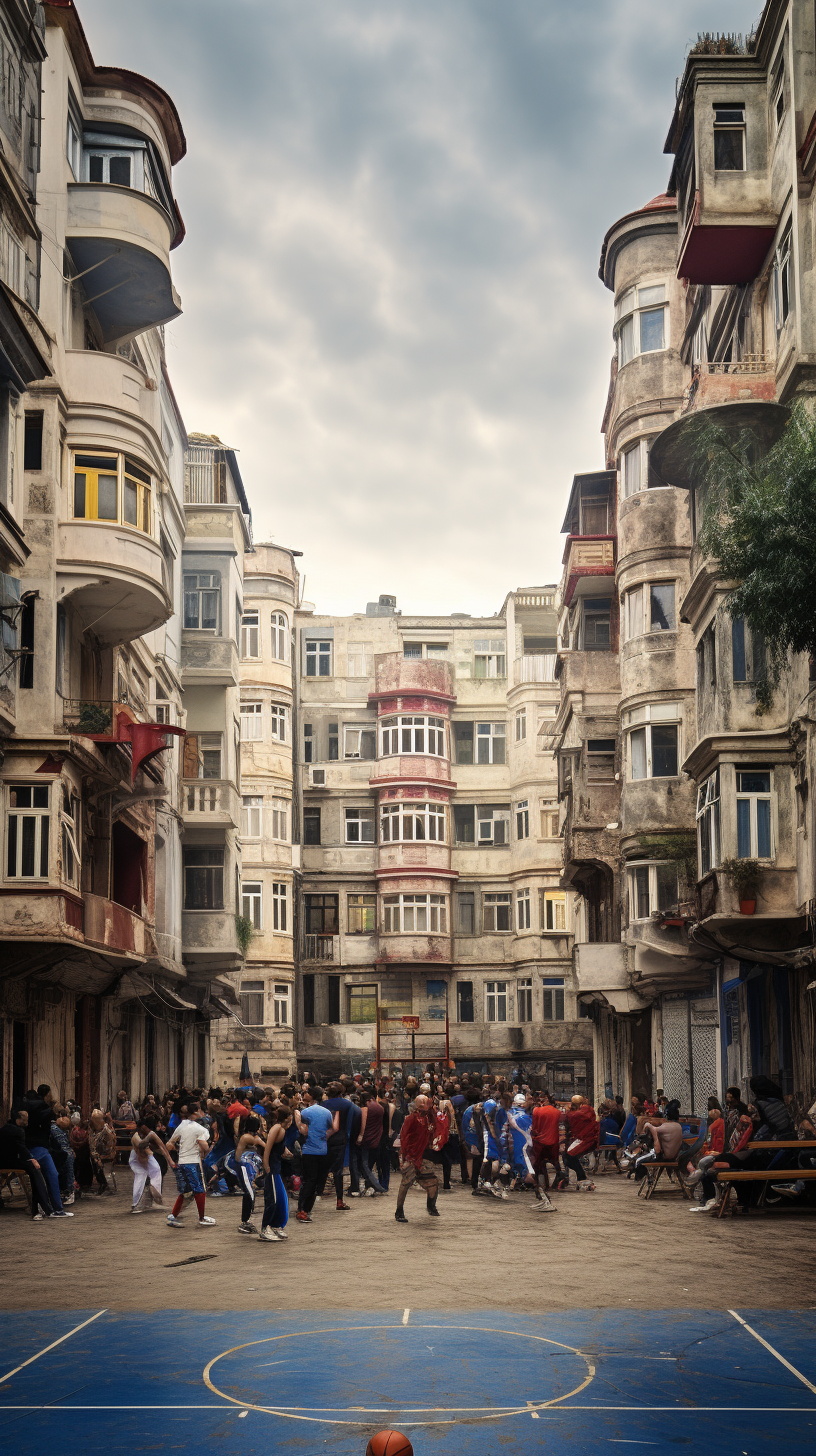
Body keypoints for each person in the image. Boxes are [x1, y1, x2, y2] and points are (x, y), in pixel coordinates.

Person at [165, 1101, 215, 1228]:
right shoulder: (200, 1129)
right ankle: (202, 1217)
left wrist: (179, 1148)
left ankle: (174, 1216)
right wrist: (208, 1147)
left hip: (182, 1162)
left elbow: (169, 1145)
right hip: (193, 1162)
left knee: (185, 1191)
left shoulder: (181, 1125)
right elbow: (204, 1145)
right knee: (200, 1190)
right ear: (197, 1112)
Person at [0, 1109, 57, 1219]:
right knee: (34, 1170)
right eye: (25, 1120)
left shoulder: (3, 1128)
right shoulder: (18, 1131)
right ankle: (38, 1208)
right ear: (19, 1119)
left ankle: (41, 1206)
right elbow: (21, 1149)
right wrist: (32, 1159)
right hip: (11, 1162)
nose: (26, 1122)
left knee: (33, 1168)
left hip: (2, 1162)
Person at [22, 1085, 69, 1215]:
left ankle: (44, 1207)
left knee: (38, 1177)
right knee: (52, 1174)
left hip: (26, 1150)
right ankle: (56, 1208)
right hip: (41, 1148)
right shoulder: (46, 1111)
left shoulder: (26, 1111)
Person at [394, 1094, 441, 1223]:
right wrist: (405, 1156)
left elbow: (435, 1127)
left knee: (432, 1183)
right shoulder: (411, 1118)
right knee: (406, 1183)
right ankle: (399, 1211)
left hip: (424, 1155)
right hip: (412, 1156)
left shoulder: (428, 1117)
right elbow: (404, 1136)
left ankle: (431, 1206)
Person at [294, 1087, 338, 1223]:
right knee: (317, 1181)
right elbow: (332, 1128)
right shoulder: (326, 1113)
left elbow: (302, 1130)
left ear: (311, 1096)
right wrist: (324, 1136)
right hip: (322, 1149)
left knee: (308, 1180)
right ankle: (307, 1209)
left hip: (309, 1150)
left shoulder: (305, 1112)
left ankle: (302, 1209)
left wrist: (296, 1115)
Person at [225, 1115, 267, 1234]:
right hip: (244, 1167)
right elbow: (238, 1156)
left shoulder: (249, 1137)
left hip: (247, 1168)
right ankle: (245, 1222)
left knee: (250, 1193)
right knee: (249, 1193)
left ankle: (246, 1221)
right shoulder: (247, 1138)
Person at [259, 1107, 292, 1242]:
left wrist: (285, 1150)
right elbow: (268, 1148)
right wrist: (266, 1165)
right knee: (272, 1199)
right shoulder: (277, 1128)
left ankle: (276, 1225)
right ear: (286, 1119)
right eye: (290, 1120)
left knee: (281, 1198)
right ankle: (265, 1228)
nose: (291, 1122)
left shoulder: (281, 1129)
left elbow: (278, 1146)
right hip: (272, 1168)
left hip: (276, 1168)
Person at [130, 1122, 175, 1212]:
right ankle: (138, 1203)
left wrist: (170, 1161)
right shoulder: (136, 1137)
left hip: (149, 1156)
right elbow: (140, 1150)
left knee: (155, 1172)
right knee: (143, 1175)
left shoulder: (152, 1134)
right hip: (138, 1157)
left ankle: (152, 1199)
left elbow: (162, 1148)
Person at [322, 1081, 352, 1210]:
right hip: (340, 1140)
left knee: (322, 1169)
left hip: (326, 1139)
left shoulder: (323, 1105)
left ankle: (316, 1194)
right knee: (338, 1171)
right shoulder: (347, 1104)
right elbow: (350, 1123)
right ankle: (339, 1200)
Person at [531, 1094, 566, 1192]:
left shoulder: (537, 1110)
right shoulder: (557, 1112)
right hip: (553, 1141)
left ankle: (539, 1184)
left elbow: (535, 1127)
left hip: (539, 1142)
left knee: (538, 1165)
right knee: (555, 1163)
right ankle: (558, 1181)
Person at [563, 1096, 598, 1191]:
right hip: (585, 1138)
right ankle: (581, 1176)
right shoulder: (588, 1110)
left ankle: (582, 1177)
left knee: (569, 1157)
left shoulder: (577, 1113)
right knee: (569, 1157)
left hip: (585, 1139)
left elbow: (570, 1118)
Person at [357, 1091, 387, 1196]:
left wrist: (360, 1136)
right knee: (369, 1164)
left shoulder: (366, 1109)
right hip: (377, 1139)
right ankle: (370, 1185)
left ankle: (377, 1186)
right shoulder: (380, 1108)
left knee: (364, 1164)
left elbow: (364, 1124)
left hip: (366, 1139)